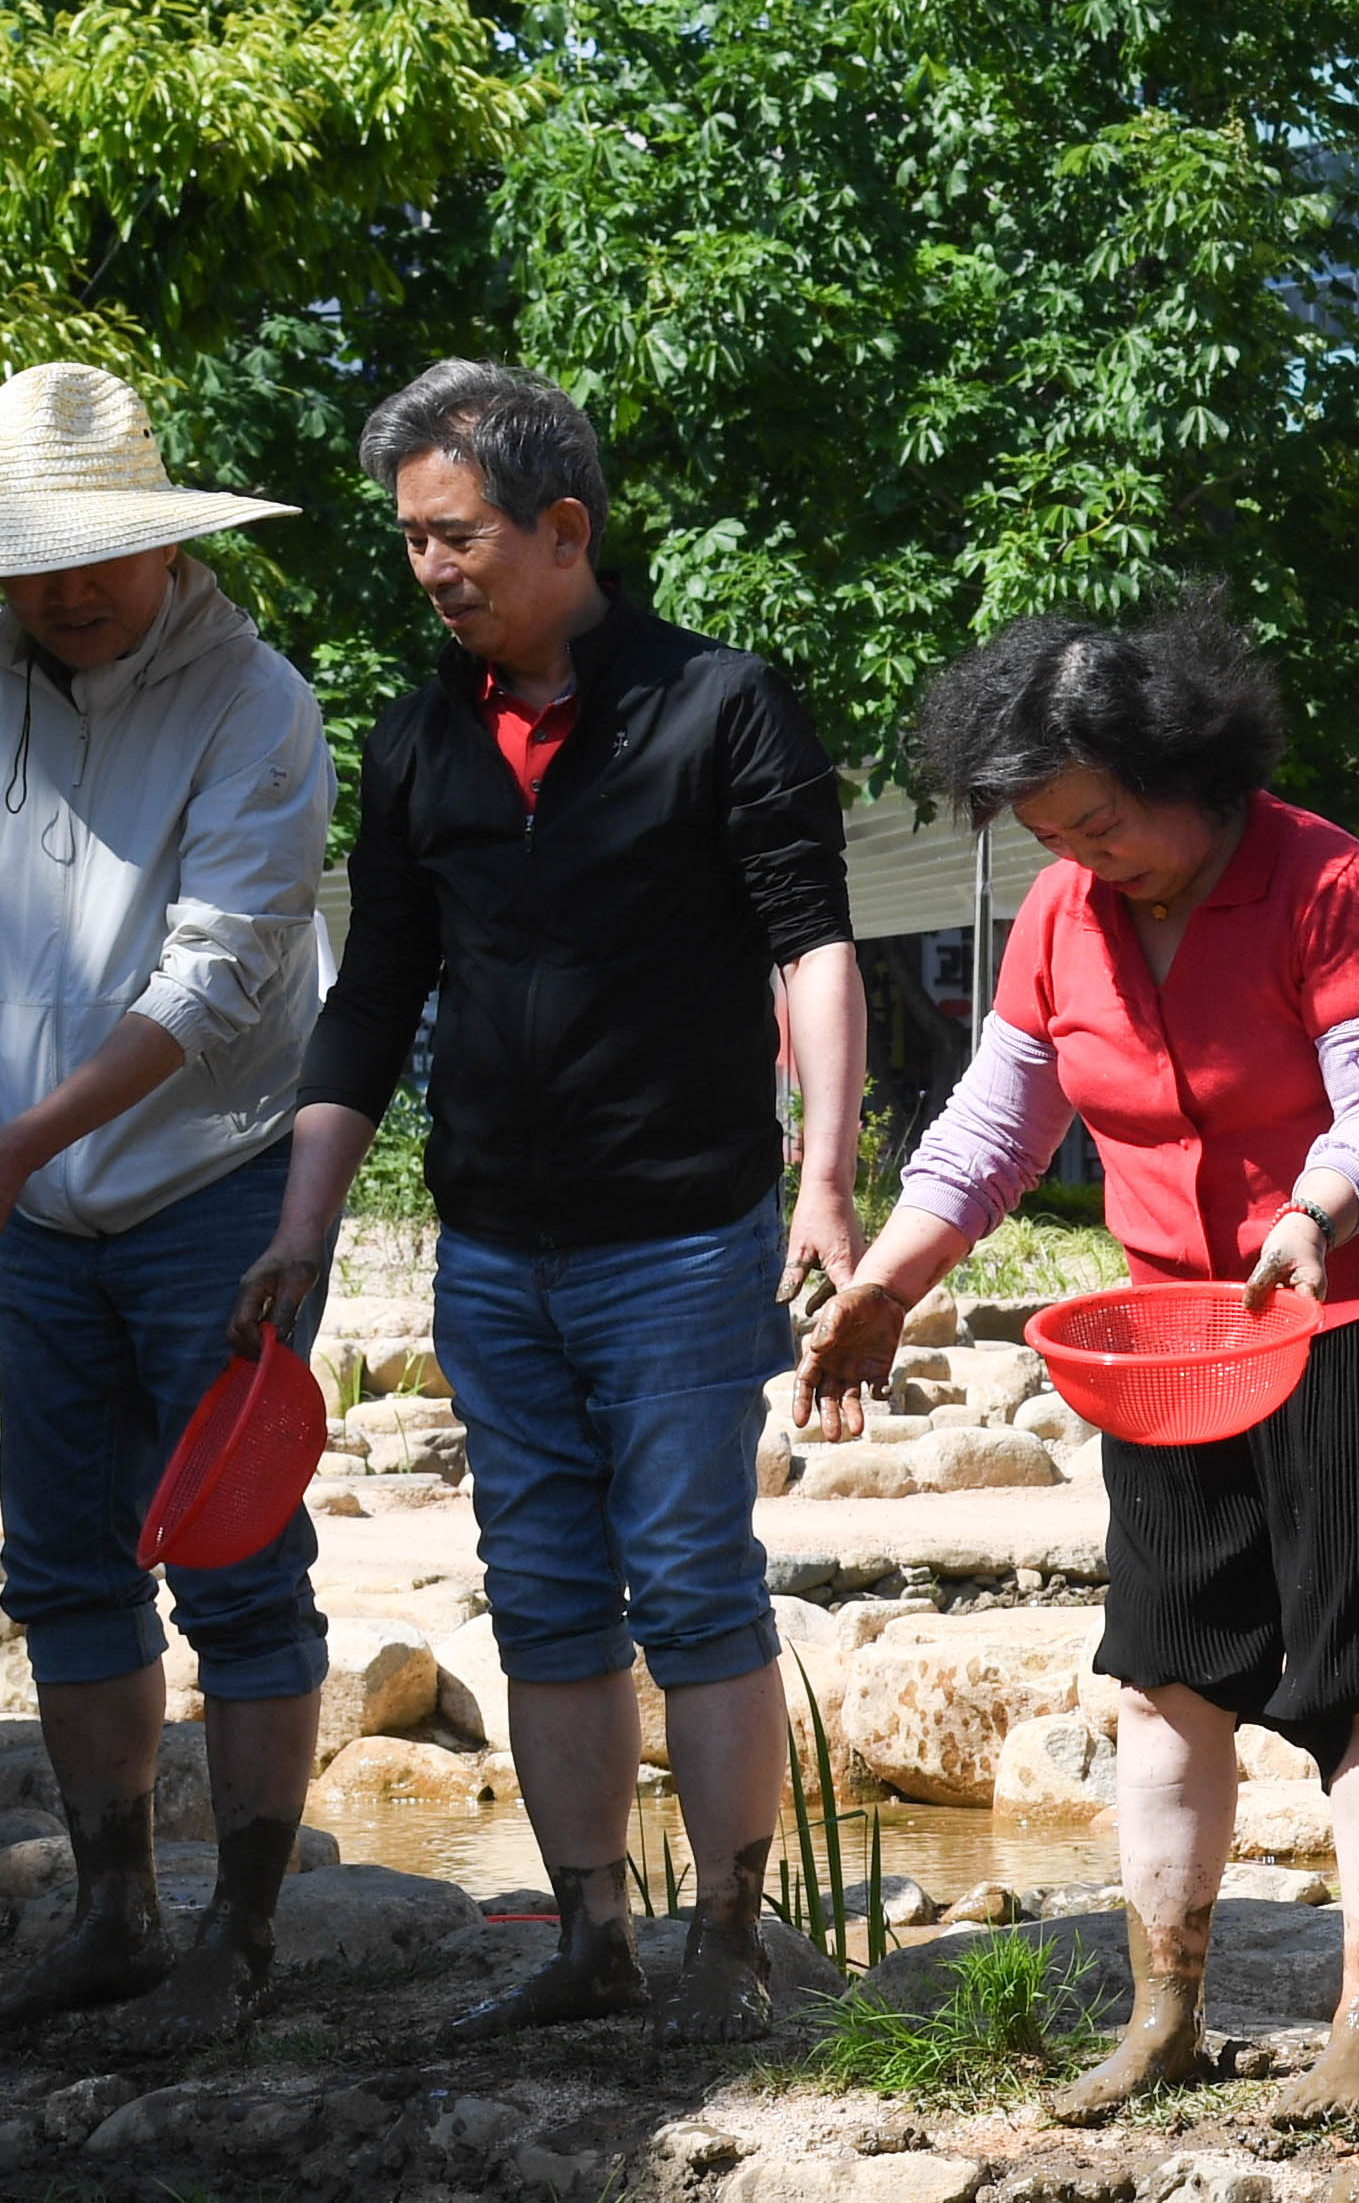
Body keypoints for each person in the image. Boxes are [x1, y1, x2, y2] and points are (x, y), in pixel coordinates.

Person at [242, 361, 863, 2042]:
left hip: (679, 1235)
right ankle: (592, 1937)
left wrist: (823, 1174)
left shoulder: (718, 704)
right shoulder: (420, 737)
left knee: (696, 1576)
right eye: (414, 544)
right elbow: (369, 997)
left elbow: (809, 937)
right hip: (493, 1247)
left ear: (563, 527)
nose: (435, 569)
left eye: (461, 537)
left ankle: (729, 1941)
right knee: (541, 1591)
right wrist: (305, 1218)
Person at [797, 600, 1359, 2122]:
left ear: (1193, 768)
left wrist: (1317, 1211)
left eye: (1102, 820)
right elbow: (992, 1128)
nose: (1085, 857)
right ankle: (1167, 2011)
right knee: (1163, 1678)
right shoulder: (1059, 920)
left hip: (1350, 1329)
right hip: (1167, 1348)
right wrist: (891, 1282)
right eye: (1052, 831)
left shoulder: (1329, 882)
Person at [0, 365, 334, 2045]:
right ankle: (115, 1907)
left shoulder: (255, 701)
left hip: (218, 1180)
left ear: (159, 543)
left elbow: (221, 975)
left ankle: (246, 1928)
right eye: (31, 562)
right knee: (60, 1565)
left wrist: (21, 1134)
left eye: (92, 558)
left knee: (239, 1561)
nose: (65, 592)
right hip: (25, 1210)